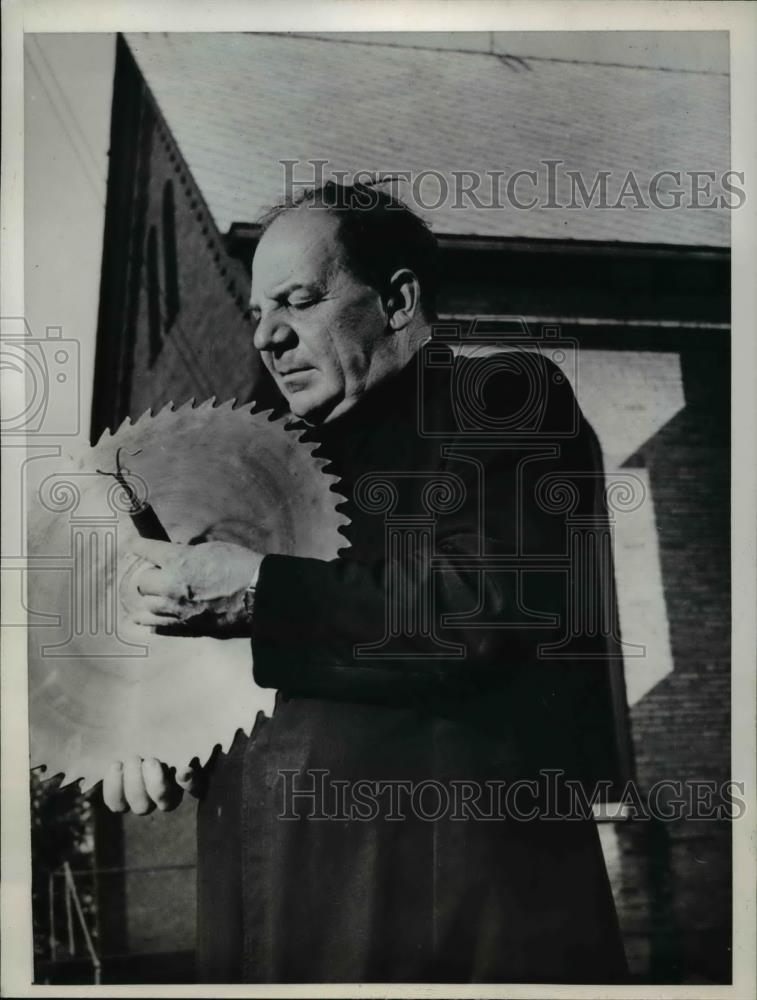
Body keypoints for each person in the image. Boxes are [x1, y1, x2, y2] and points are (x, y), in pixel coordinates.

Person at [108, 182, 628, 983]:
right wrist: (157, 731)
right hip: (261, 920)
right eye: (257, 314)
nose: (270, 338)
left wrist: (261, 596)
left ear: (397, 300)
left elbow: (475, 612)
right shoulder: (258, 472)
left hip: (441, 918)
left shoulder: (499, 401)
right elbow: (221, 670)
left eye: (299, 301)